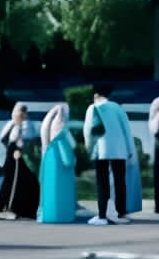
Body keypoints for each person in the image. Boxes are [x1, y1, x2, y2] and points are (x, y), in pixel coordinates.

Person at [83, 83, 134, 225]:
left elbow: (88, 132)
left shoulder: (93, 108)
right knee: (120, 182)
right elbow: (126, 130)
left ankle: (102, 215)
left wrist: (89, 149)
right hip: (120, 150)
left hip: (101, 151)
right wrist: (129, 150)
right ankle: (121, 213)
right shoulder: (117, 107)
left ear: (96, 95)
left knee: (102, 182)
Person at [0, 102, 40, 220]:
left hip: (23, 159)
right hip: (12, 157)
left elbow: (30, 140)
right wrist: (11, 148)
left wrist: (21, 149)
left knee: (25, 183)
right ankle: (7, 206)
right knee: (10, 182)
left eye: (23, 111)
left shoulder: (28, 125)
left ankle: (23, 209)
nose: (21, 114)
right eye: (19, 111)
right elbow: (3, 138)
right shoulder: (11, 124)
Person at [38, 103, 79, 224]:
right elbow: (68, 160)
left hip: (49, 166)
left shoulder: (49, 140)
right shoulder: (62, 135)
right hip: (62, 174)